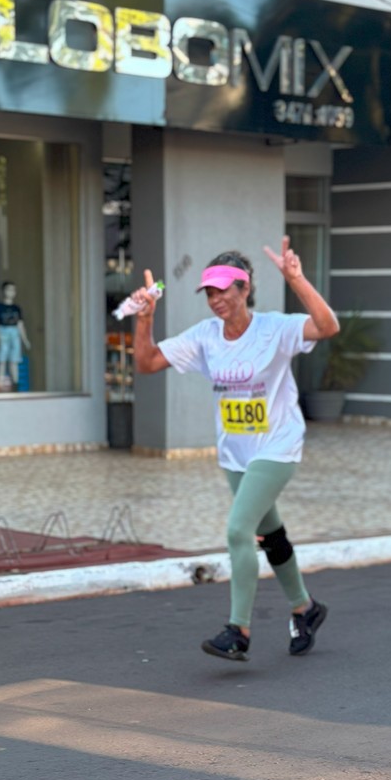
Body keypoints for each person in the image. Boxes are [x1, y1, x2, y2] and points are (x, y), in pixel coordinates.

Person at [129, 239, 339, 662]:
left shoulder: (274, 329)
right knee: (269, 533)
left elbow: (327, 326)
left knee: (238, 531)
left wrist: (296, 280)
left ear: (245, 289)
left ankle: (238, 630)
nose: (216, 298)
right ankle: (305, 608)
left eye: (224, 289)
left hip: (277, 446)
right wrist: (145, 318)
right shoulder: (206, 337)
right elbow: (148, 362)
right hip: (235, 452)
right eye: (209, 292)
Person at [0, 281, 31, 387]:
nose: (11, 292)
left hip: (15, 334)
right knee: (2, 359)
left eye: (13, 290)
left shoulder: (17, 308)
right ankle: (0, 382)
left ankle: (15, 383)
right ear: (3, 291)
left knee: (14, 360)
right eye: (8, 289)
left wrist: (25, 339)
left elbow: (20, 325)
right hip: (3, 332)